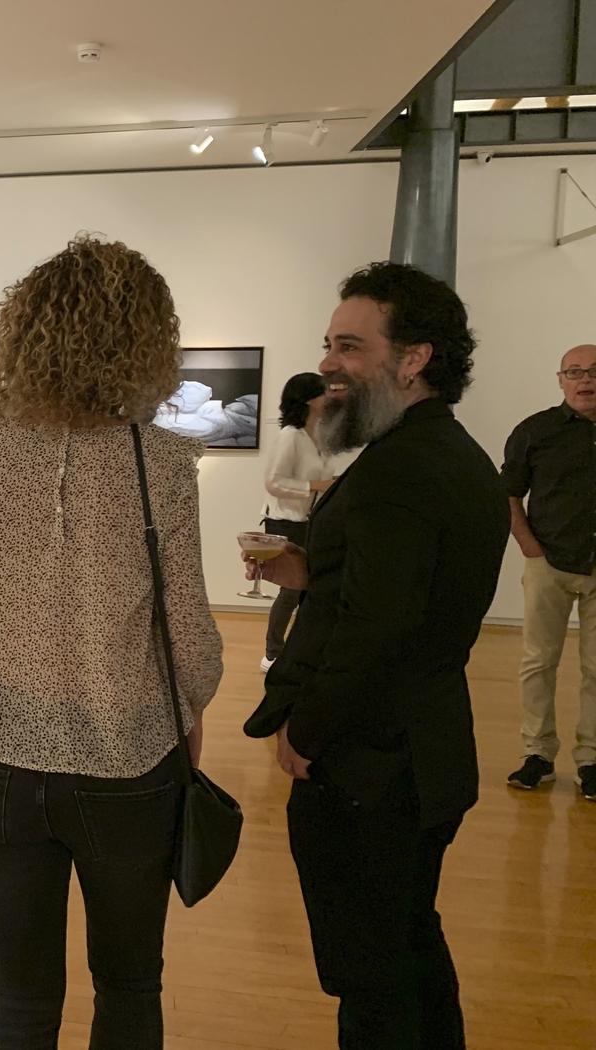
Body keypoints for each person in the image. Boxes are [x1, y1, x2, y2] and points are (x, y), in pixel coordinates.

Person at [0, 234, 224, 1049]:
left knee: (19, 1001)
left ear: (20, 336)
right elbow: (191, 638)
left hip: (1, 762)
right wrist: (194, 697)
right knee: (128, 985)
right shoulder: (160, 463)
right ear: (146, 346)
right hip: (129, 765)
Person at [243, 262, 508, 1049]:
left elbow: (378, 629)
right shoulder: (449, 454)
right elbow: (404, 593)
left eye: (350, 346)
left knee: (371, 976)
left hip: (372, 764)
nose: (328, 362)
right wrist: (314, 572)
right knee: (408, 946)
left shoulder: (399, 470)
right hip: (422, 751)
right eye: (328, 343)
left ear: (415, 358)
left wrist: (307, 730)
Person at [500, 343, 596, 801]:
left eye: (594, 371)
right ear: (560, 380)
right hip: (549, 564)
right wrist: (530, 549)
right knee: (538, 663)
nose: (585, 380)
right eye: (574, 371)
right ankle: (538, 754)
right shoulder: (534, 431)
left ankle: (591, 760)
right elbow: (509, 495)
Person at [259, 372, 332, 672]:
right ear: (308, 399)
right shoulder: (290, 435)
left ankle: (297, 649)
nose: (329, 397)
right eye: (323, 392)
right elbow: (273, 482)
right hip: (285, 521)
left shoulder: (313, 435)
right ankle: (273, 653)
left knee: (307, 590)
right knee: (291, 590)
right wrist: (315, 486)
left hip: (306, 520)